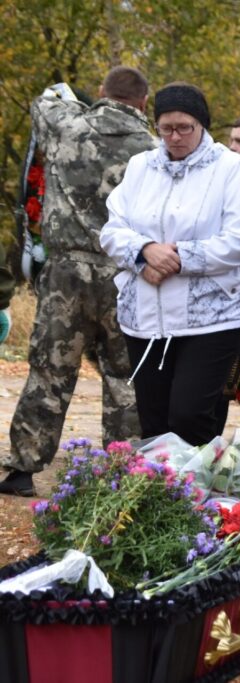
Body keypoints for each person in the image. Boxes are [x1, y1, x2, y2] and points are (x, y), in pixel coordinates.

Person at [0, 67, 154, 497]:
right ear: (144, 101)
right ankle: (123, 473)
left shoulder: (67, 124)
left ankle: (23, 470)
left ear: (103, 92)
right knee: (125, 376)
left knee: (50, 369)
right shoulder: (153, 148)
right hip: (126, 271)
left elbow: (46, 100)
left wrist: (74, 97)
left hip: (66, 273)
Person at [100, 82, 240, 446]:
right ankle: (164, 496)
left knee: (189, 416)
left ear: (201, 125)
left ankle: (202, 496)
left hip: (210, 320)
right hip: (146, 317)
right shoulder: (141, 166)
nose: (174, 136)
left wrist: (176, 259)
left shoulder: (228, 168)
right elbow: (112, 230)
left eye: (184, 127)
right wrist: (144, 253)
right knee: (154, 420)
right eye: (166, 128)